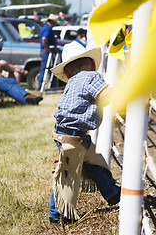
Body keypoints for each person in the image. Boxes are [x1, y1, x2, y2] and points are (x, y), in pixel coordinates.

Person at [48, 41, 121, 224]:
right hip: (73, 137)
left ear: (66, 72)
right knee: (68, 175)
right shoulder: (91, 77)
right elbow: (105, 95)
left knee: (94, 163)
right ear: (94, 65)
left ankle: (113, 194)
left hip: (67, 133)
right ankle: (57, 215)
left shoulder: (73, 81)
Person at [38, 14, 60, 91]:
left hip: (45, 51)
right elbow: (44, 38)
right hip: (47, 52)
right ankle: (46, 86)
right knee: (47, 68)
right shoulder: (48, 29)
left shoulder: (45, 27)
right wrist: (46, 48)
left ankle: (43, 86)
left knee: (45, 69)